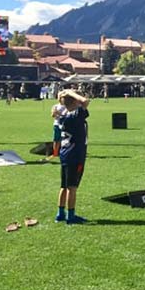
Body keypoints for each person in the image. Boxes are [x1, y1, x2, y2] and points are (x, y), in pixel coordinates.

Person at [55, 89, 90, 225]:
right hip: (75, 155)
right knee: (72, 187)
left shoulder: (63, 115)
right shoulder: (75, 115)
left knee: (64, 186)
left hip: (65, 154)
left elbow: (63, 100)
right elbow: (85, 102)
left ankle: (60, 213)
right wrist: (71, 93)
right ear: (75, 101)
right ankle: (71, 216)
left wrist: (66, 93)